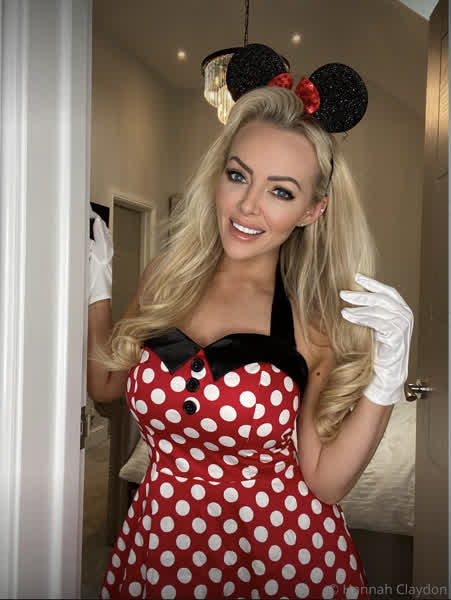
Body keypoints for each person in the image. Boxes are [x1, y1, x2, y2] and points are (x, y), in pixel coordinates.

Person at [87, 50, 413, 600]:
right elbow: (105, 385)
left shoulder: (311, 317)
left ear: (312, 210)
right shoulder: (166, 275)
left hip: (283, 557)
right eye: (238, 175)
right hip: (161, 545)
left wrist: (387, 380)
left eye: (281, 191)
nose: (247, 206)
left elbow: (326, 482)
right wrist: (96, 287)